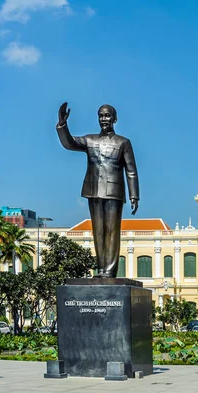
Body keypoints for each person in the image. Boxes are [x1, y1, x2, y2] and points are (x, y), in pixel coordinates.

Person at [56, 102, 139, 278]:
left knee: (112, 231)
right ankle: (101, 269)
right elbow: (69, 143)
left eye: (107, 115)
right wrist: (63, 125)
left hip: (114, 193)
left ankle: (110, 270)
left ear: (114, 119)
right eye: (101, 115)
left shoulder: (123, 142)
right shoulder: (90, 140)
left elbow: (131, 170)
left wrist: (134, 195)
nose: (104, 119)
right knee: (98, 231)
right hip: (93, 190)